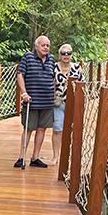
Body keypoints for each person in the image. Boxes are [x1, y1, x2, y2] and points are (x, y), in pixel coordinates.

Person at [14, 35, 55, 168]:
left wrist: (54, 93)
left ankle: (35, 157)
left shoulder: (51, 58)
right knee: (29, 128)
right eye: (43, 45)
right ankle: (21, 157)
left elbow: (53, 77)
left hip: (47, 100)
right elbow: (20, 74)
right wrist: (24, 93)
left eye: (47, 45)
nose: (45, 48)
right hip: (31, 99)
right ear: (36, 46)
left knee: (42, 128)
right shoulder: (28, 57)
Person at [49, 44, 84, 166]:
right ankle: (55, 156)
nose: (66, 55)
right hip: (58, 103)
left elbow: (82, 85)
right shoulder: (53, 67)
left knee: (72, 131)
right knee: (57, 130)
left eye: (68, 53)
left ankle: (68, 156)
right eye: (63, 53)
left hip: (72, 103)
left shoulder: (77, 68)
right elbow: (50, 84)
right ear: (59, 55)